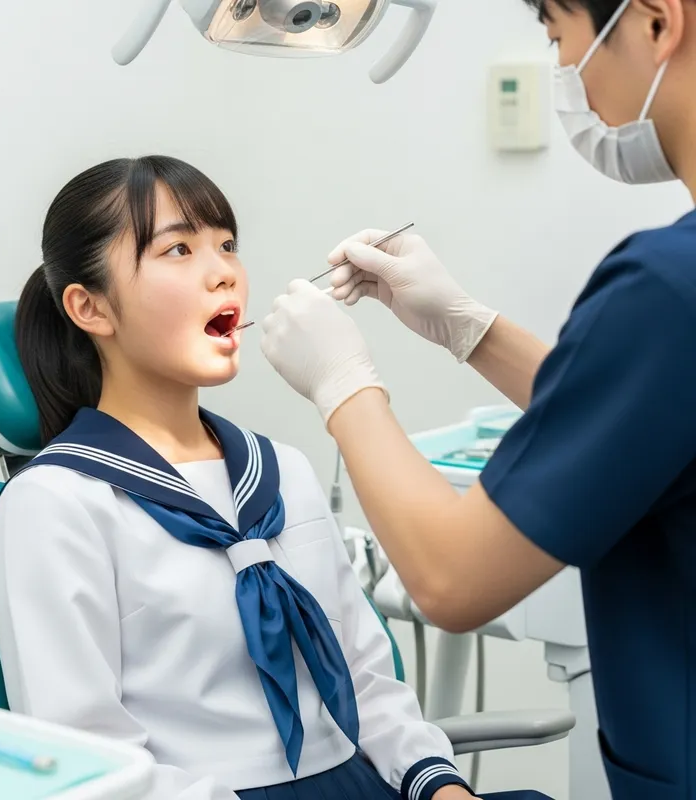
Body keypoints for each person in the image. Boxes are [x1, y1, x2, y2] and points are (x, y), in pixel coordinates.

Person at [0, 156, 544, 800]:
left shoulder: (281, 472)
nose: (223, 271)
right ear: (90, 308)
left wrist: (441, 787)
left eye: (227, 245)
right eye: (178, 250)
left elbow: (366, 682)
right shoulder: (57, 505)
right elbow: (90, 761)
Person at [259, 1, 696, 798]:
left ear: (658, 23)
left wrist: (344, 386)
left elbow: (451, 580)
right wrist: (471, 329)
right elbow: (652, 413)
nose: (568, 77)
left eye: (560, 39)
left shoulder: (670, 293)